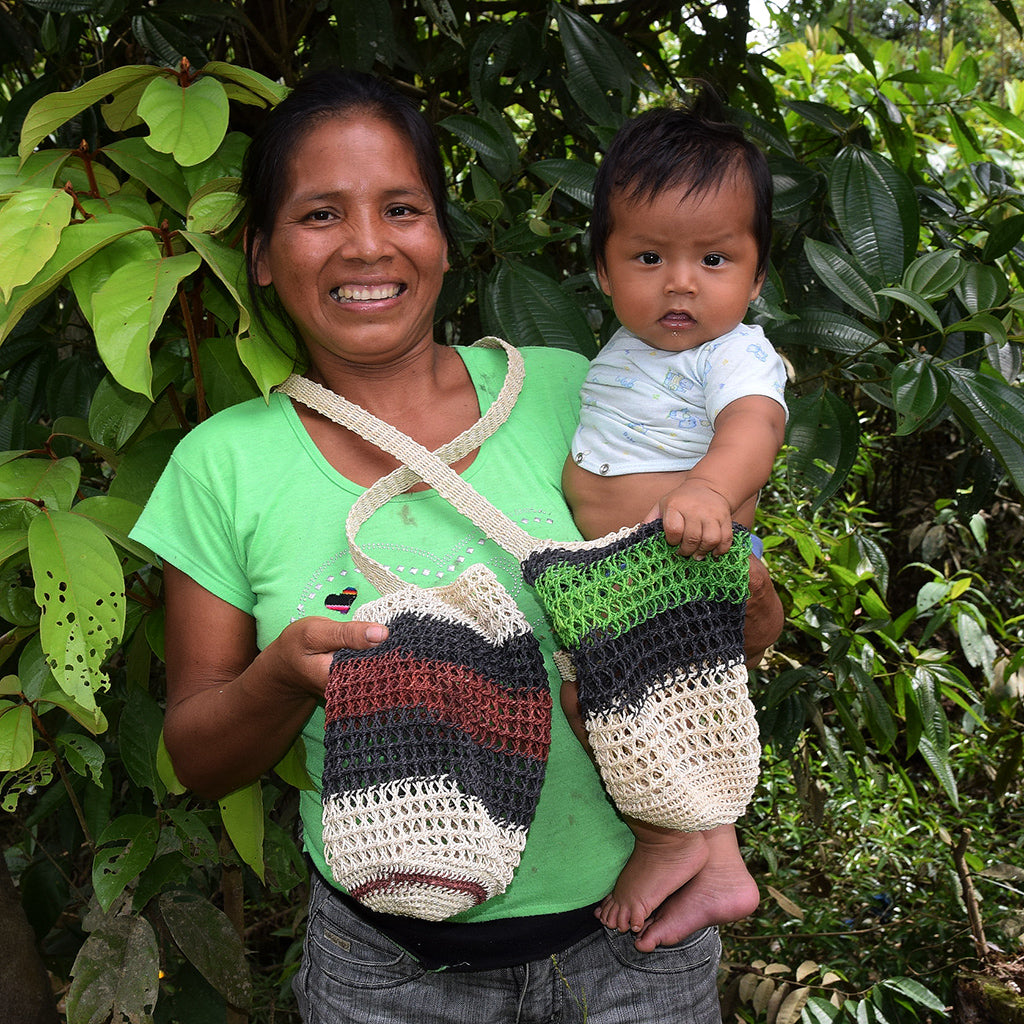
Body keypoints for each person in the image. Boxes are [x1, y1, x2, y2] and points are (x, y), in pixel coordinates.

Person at [130, 69, 783, 1023]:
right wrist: (282, 679)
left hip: (636, 953)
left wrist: (746, 591)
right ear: (261, 253)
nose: (366, 244)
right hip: (388, 977)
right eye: (319, 215)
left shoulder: (579, 392)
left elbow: (729, 631)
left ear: (441, 236)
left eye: (401, 207)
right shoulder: (221, 467)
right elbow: (197, 757)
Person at [561, 98, 788, 942]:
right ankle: (721, 867)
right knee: (670, 713)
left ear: (757, 276)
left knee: (600, 702)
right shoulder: (623, 351)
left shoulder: (733, 353)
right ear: (605, 270)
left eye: (715, 258)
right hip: (627, 576)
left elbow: (754, 428)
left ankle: (664, 842)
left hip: (684, 558)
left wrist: (707, 492)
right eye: (649, 256)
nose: (681, 282)